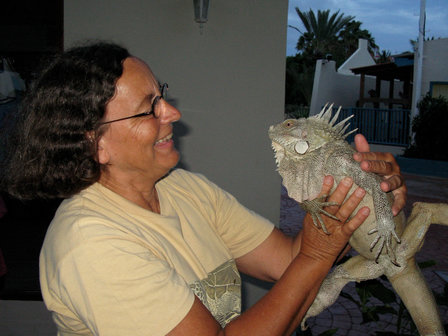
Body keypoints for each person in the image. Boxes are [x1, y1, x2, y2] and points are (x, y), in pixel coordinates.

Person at [1, 42, 406, 336]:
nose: (172, 113)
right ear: (95, 143)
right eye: (149, 108)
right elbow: (307, 261)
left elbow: (287, 261)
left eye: (163, 95)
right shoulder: (90, 243)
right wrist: (318, 253)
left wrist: (356, 202)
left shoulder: (184, 188)